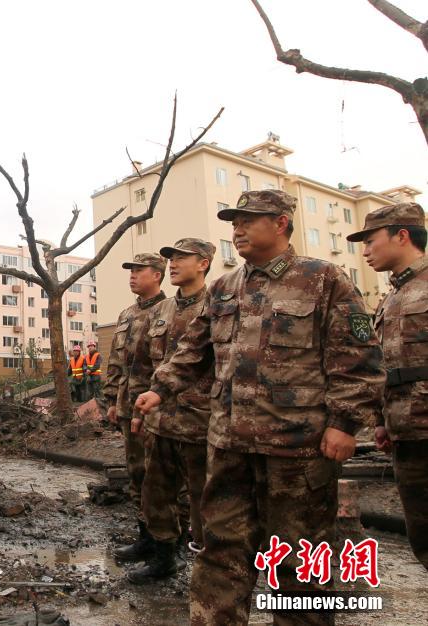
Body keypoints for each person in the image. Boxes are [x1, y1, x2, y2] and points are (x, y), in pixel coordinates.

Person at [135, 190, 384, 625]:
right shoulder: (224, 288)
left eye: (248, 220)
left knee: (299, 564)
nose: (238, 229)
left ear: (282, 223)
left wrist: (345, 424)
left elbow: (359, 358)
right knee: (221, 552)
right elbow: (193, 351)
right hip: (229, 445)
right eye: (234, 221)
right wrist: (160, 388)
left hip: (298, 450)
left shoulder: (325, 279)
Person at [127, 238, 215, 584]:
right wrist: (137, 409)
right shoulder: (160, 312)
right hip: (160, 420)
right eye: (171, 258)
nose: (174, 264)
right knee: (156, 492)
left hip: (201, 422)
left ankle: (211, 563)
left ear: (204, 263)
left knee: (204, 498)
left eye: (182, 258)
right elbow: (143, 364)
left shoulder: (217, 304)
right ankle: (164, 556)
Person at [347, 201, 428, 570]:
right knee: (423, 541)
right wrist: (381, 420)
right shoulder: (390, 298)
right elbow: (389, 366)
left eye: (369, 241)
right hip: (407, 437)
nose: (364, 251)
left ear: (402, 235)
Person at [102, 252, 167, 561]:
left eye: (138, 270)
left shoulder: (170, 310)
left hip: (158, 409)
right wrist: (113, 401)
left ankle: (169, 545)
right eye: (130, 270)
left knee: (161, 478)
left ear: (157, 274)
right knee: (137, 474)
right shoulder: (127, 313)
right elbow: (116, 362)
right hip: (129, 407)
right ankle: (146, 538)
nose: (132, 275)